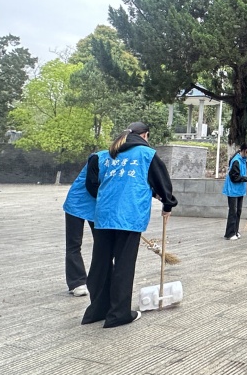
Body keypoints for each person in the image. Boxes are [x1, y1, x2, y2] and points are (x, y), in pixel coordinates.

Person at [82, 122, 178, 328]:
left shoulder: (102, 155)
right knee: (123, 265)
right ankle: (118, 314)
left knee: (100, 263)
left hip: (104, 215)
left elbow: (91, 185)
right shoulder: (146, 154)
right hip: (129, 216)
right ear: (145, 135)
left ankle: (97, 310)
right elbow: (161, 181)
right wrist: (168, 203)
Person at [62, 154, 100, 297]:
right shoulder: (98, 158)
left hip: (97, 205)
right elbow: (91, 185)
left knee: (102, 244)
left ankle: (101, 278)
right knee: (74, 243)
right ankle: (77, 282)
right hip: (77, 203)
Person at [222, 142, 247, 240]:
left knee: (238, 211)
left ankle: (235, 231)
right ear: (245, 150)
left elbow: (244, 168)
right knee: (233, 211)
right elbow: (234, 177)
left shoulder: (243, 160)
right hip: (233, 190)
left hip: (239, 190)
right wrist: (246, 179)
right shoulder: (236, 161)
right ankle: (229, 233)